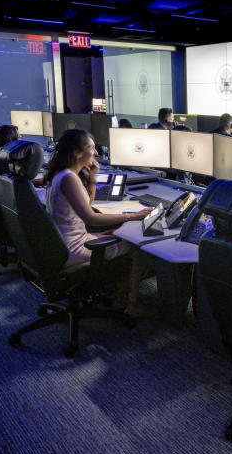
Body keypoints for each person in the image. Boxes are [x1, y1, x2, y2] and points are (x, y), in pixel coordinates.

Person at [43, 129, 154, 317]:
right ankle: (130, 304)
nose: (96, 153)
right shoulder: (69, 178)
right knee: (134, 245)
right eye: (92, 148)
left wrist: (92, 177)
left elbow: (86, 206)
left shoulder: (62, 174)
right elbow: (91, 218)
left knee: (114, 233)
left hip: (64, 243)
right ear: (78, 153)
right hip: (74, 248)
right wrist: (130, 216)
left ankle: (120, 299)